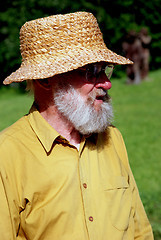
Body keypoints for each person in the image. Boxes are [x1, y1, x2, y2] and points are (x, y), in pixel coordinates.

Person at [0, 12, 154, 240]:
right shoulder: (8, 152)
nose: (107, 83)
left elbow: (140, 231)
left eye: (105, 69)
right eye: (92, 71)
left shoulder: (113, 139)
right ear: (45, 79)